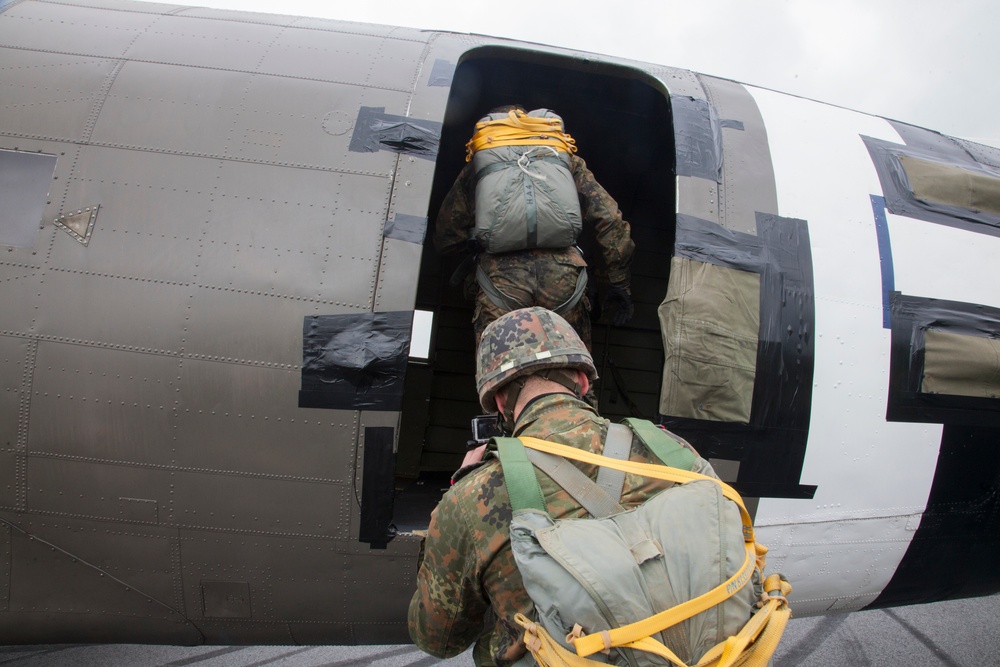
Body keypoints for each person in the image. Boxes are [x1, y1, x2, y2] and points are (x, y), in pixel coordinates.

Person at [408, 307, 731, 666]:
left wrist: (453, 497)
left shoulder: (472, 498)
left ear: (500, 401)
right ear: (582, 380)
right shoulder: (671, 450)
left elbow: (438, 638)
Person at [434, 106, 635, 350]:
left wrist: (478, 251)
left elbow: (447, 236)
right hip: (564, 282)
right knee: (572, 373)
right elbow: (610, 219)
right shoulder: (564, 159)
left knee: (501, 376)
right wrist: (617, 283)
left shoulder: (481, 166)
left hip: (500, 282)